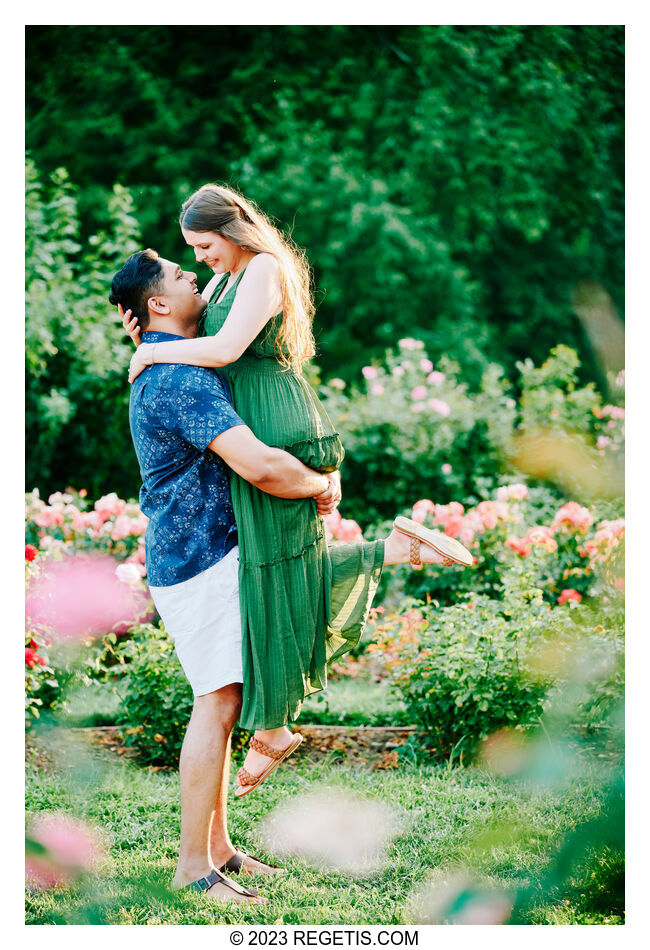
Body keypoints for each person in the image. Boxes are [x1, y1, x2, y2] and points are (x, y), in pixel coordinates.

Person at [121, 185, 472, 798]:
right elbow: (184, 331)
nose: (199, 260)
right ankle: (391, 552)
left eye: (202, 246)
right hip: (254, 425)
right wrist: (151, 344)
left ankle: (275, 727)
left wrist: (151, 358)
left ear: (231, 229)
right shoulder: (227, 279)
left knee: (278, 571)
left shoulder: (262, 268)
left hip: (273, 427)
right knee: (273, 573)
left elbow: (226, 349)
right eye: (190, 256)